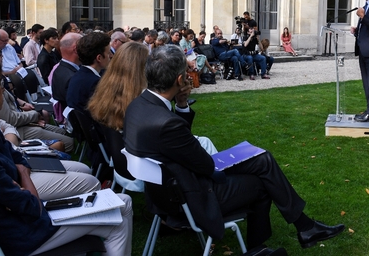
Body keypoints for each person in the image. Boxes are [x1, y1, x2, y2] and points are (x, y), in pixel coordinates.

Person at [124, 46, 344, 250]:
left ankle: (304, 228)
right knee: (262, 183)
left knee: (262, 159)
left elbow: (177, 145)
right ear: (180, 79)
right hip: (189, 197)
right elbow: (204, 163)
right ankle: (267, 245)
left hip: (168, 191)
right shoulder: (165, 123)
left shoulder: (139, 105)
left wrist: (181, 105)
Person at [0, 51, 133, 256]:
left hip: (21, 223)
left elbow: (15, 157)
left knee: (119, 204)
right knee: (122, 208)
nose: (2, 89)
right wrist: (21, 174)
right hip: (25, 235)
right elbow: (32, 207)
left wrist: (19, 176)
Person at [66, 31, 111, 113]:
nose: (110, 56)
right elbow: (102, 115)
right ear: (99, 58)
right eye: (108, 53)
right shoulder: (95, 83)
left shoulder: (77, 76)